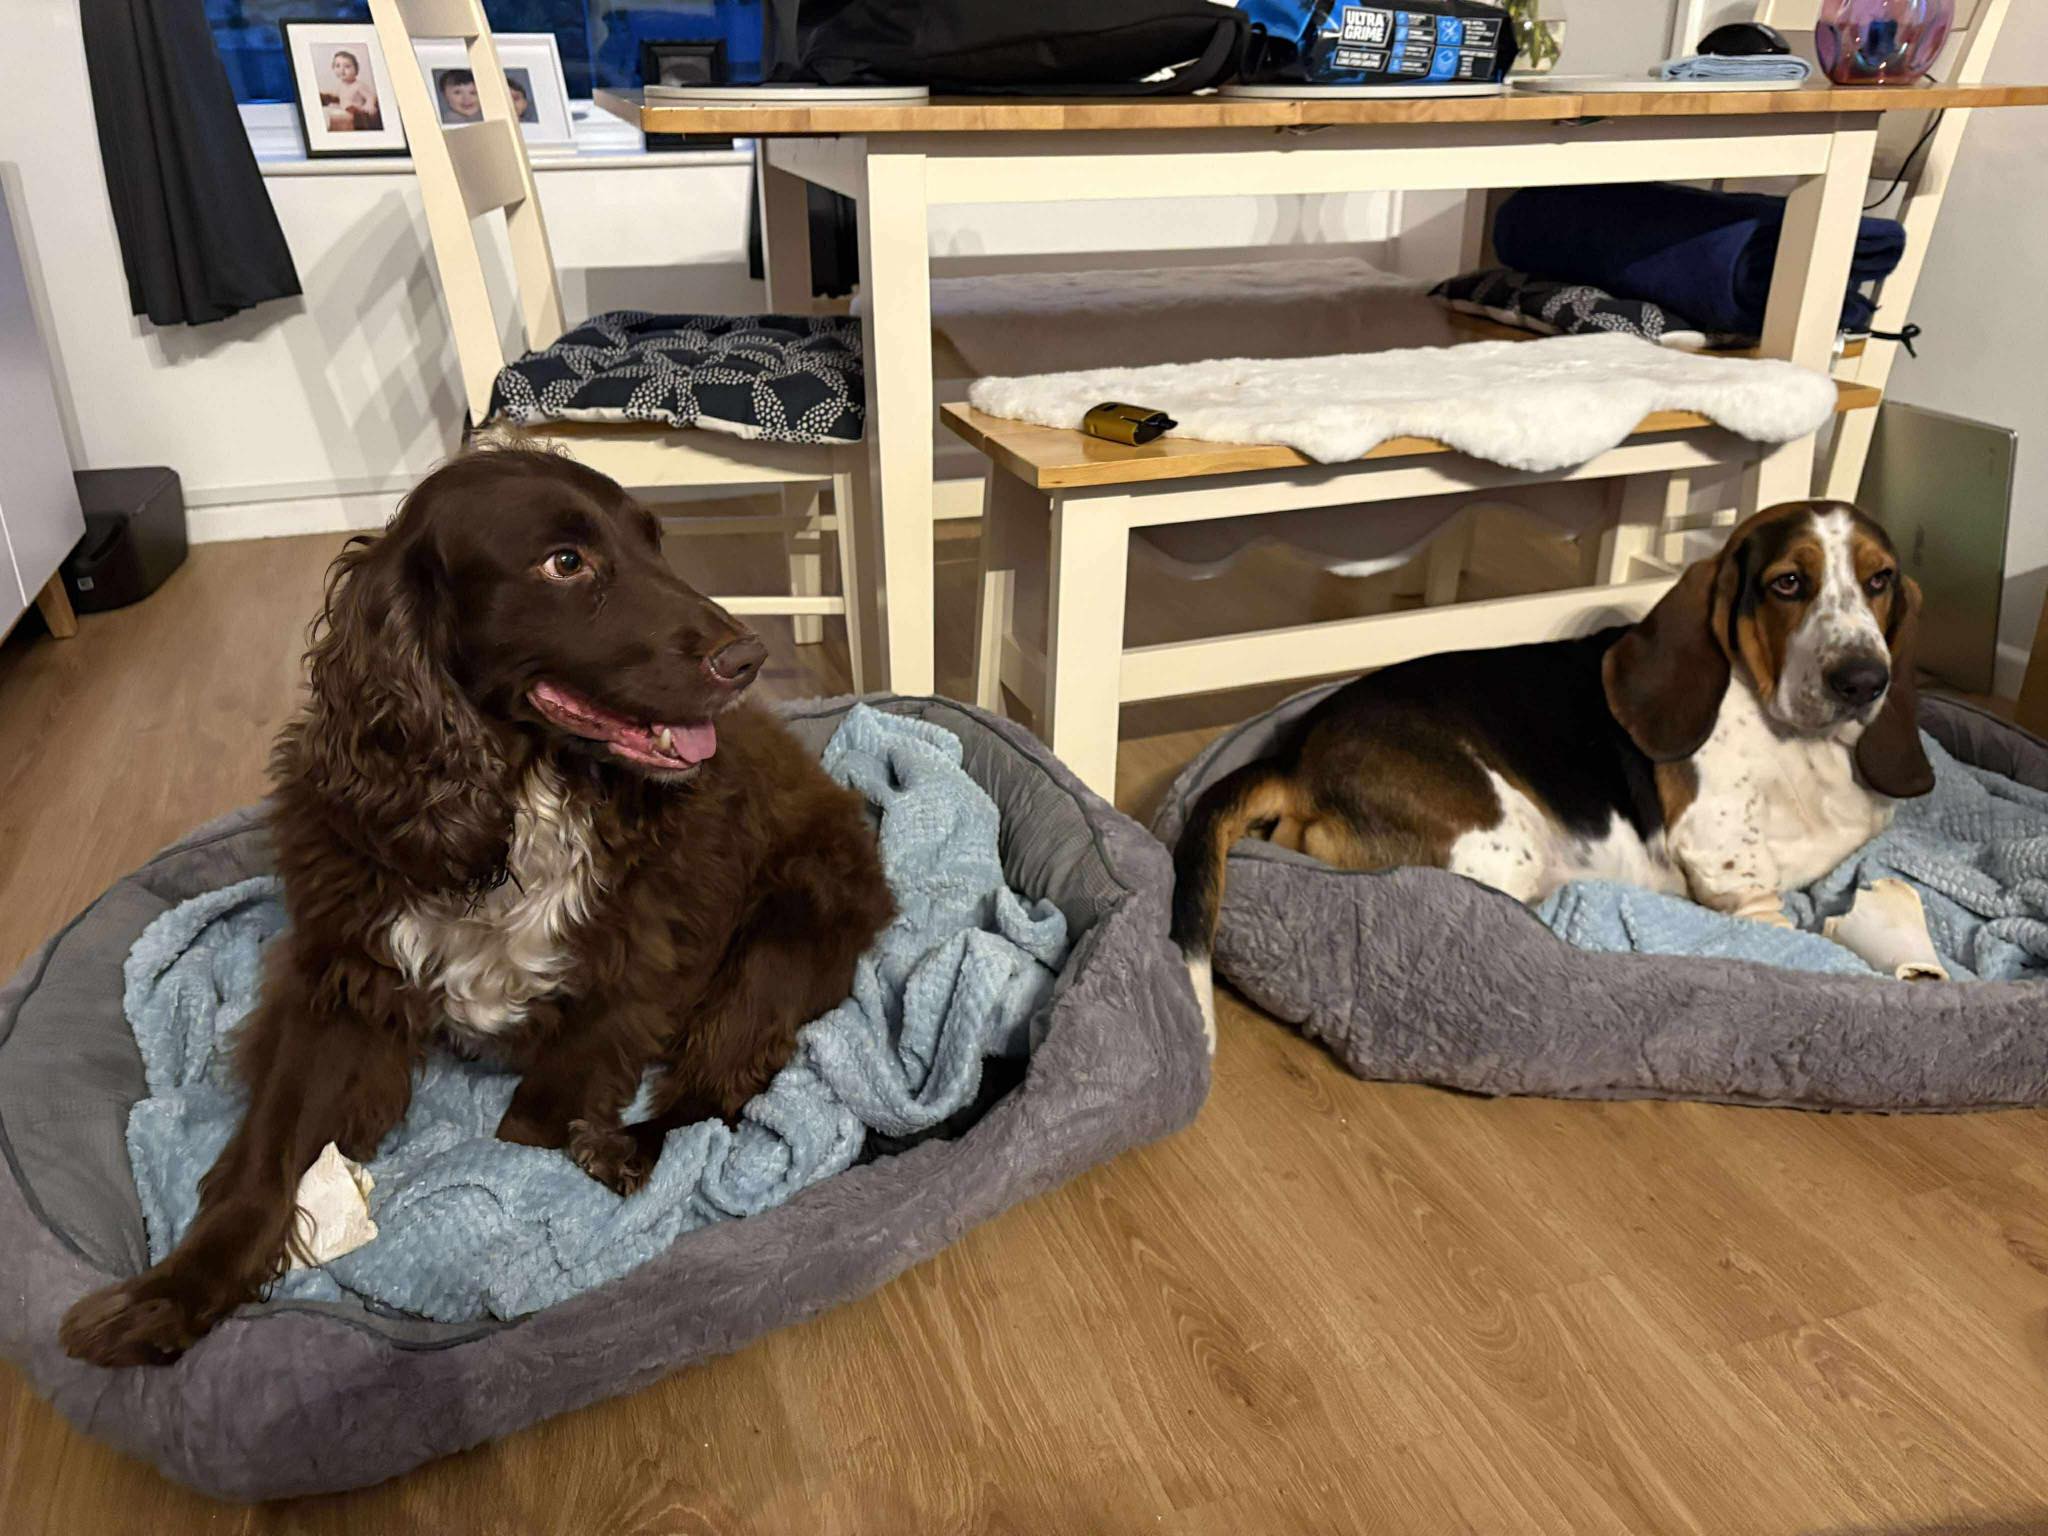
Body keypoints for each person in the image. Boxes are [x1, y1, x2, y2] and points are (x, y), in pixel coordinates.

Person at [322, 49, 382, 133]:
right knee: (326, 112)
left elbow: (370, 96)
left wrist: (369, 105)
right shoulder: (341, 85)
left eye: (347, 66)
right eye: (337, 66)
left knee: (336, 118)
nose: (342, 70)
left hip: (355, 114)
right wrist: (333, 103)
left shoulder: (358, 85)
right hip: (344, 110)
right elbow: (338, 97)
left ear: (356, 69)